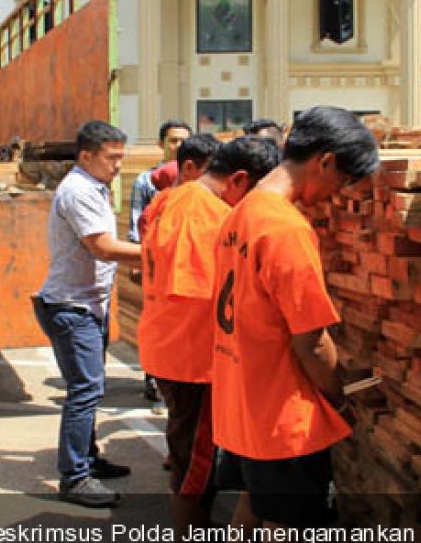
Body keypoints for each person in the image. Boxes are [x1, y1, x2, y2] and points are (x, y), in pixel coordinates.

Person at [211, 106, 379, 528]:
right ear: (325, 160)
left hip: (242, 399)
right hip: (284, 416)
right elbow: (312, 341)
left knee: (253, 510)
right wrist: (338, 398)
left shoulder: (240, 214)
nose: (337, 193)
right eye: (342, 180)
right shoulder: (286, 228)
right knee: (289, 525)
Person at [138, 136, 280, 534]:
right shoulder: (202, 213)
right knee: (195, 471)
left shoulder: (176, 198)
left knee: (195, 464)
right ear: (237, 181)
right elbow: (204, 294)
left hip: (175, 348)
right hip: (193, 359)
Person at [32, 120, 142, 508]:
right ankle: (75, 477)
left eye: (121, 158)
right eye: (111, 158)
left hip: (85, 303)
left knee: (90, 388)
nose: (117, 166)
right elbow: (104, 248)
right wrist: (164, 251)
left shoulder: (93, 187)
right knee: (85, 390)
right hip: (71, 306)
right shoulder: (78, 191)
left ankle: (87, 459)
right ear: (86, 155)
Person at [130, 120, 193, 410]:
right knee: (157, 324)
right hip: (158, 265)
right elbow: (137, 223)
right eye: (173, 141)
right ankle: (155, 384)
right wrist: (140, 262)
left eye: (183, 141)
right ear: (161, 144)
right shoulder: (147, 181)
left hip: (186, 268)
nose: (177, 146)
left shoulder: (195, 179)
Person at [139, 133, 223, 241]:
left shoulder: (156, 207)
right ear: (189, 167)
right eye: (211, 173)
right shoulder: (163, 210)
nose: (218, 181)